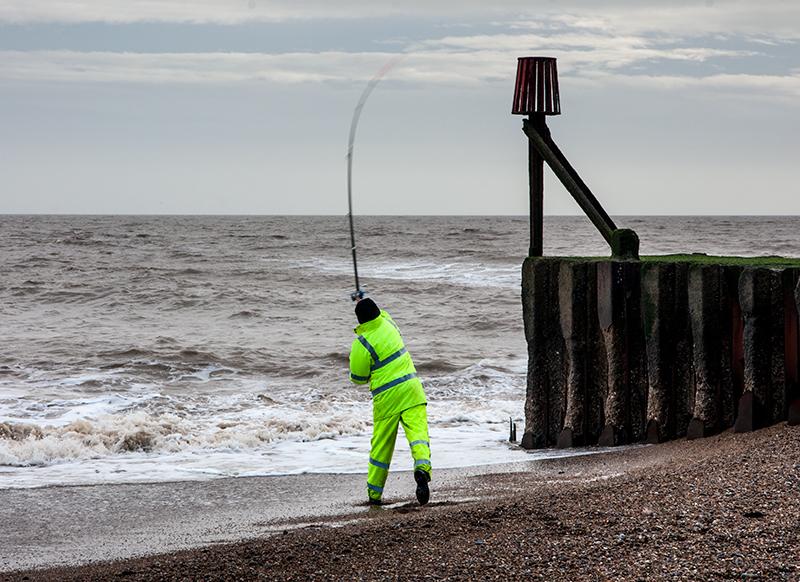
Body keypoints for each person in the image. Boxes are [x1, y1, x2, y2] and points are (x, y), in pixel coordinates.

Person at [349, 297, 431, 506]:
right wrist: (362, 299)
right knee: (418, 435)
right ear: (378, 312)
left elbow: (357, 377)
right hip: (412, 388)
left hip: (387, 398)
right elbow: (381, 313)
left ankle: (374, 494)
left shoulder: (362, 342)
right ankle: (422, 469)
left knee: (382, 446)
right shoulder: (388, 323)